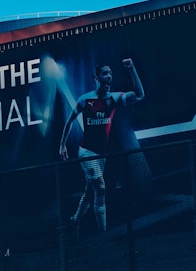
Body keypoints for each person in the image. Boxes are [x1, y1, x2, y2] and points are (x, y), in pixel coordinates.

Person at [59, 58, 145, 231]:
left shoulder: (114, 98)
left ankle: (75, 220)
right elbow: (69, 122)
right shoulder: (85, 100)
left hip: (101, 154)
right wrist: (62, 145)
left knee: (90, 192)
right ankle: (103, 234)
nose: (109, 76)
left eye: (110, 73)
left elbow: (139, 95)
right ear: (96, 77)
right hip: (86, 152)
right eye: (105, 73)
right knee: (101, 188)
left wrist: (132, 69)